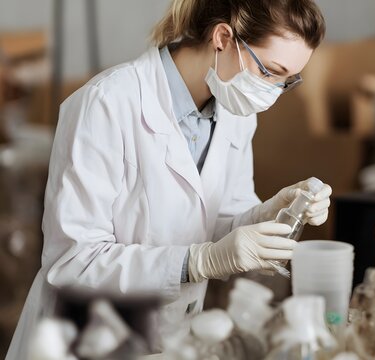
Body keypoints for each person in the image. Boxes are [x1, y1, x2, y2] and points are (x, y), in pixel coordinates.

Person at [7, 0, 328, 356]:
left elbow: (218, 223)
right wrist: (197, 262)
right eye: (270, 71)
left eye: (287, 81)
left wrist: (270, 213)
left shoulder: (236, 112)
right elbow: (71, 263)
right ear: (223, 37)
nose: (273, 92)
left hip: (170, 337)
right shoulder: (108, 102)